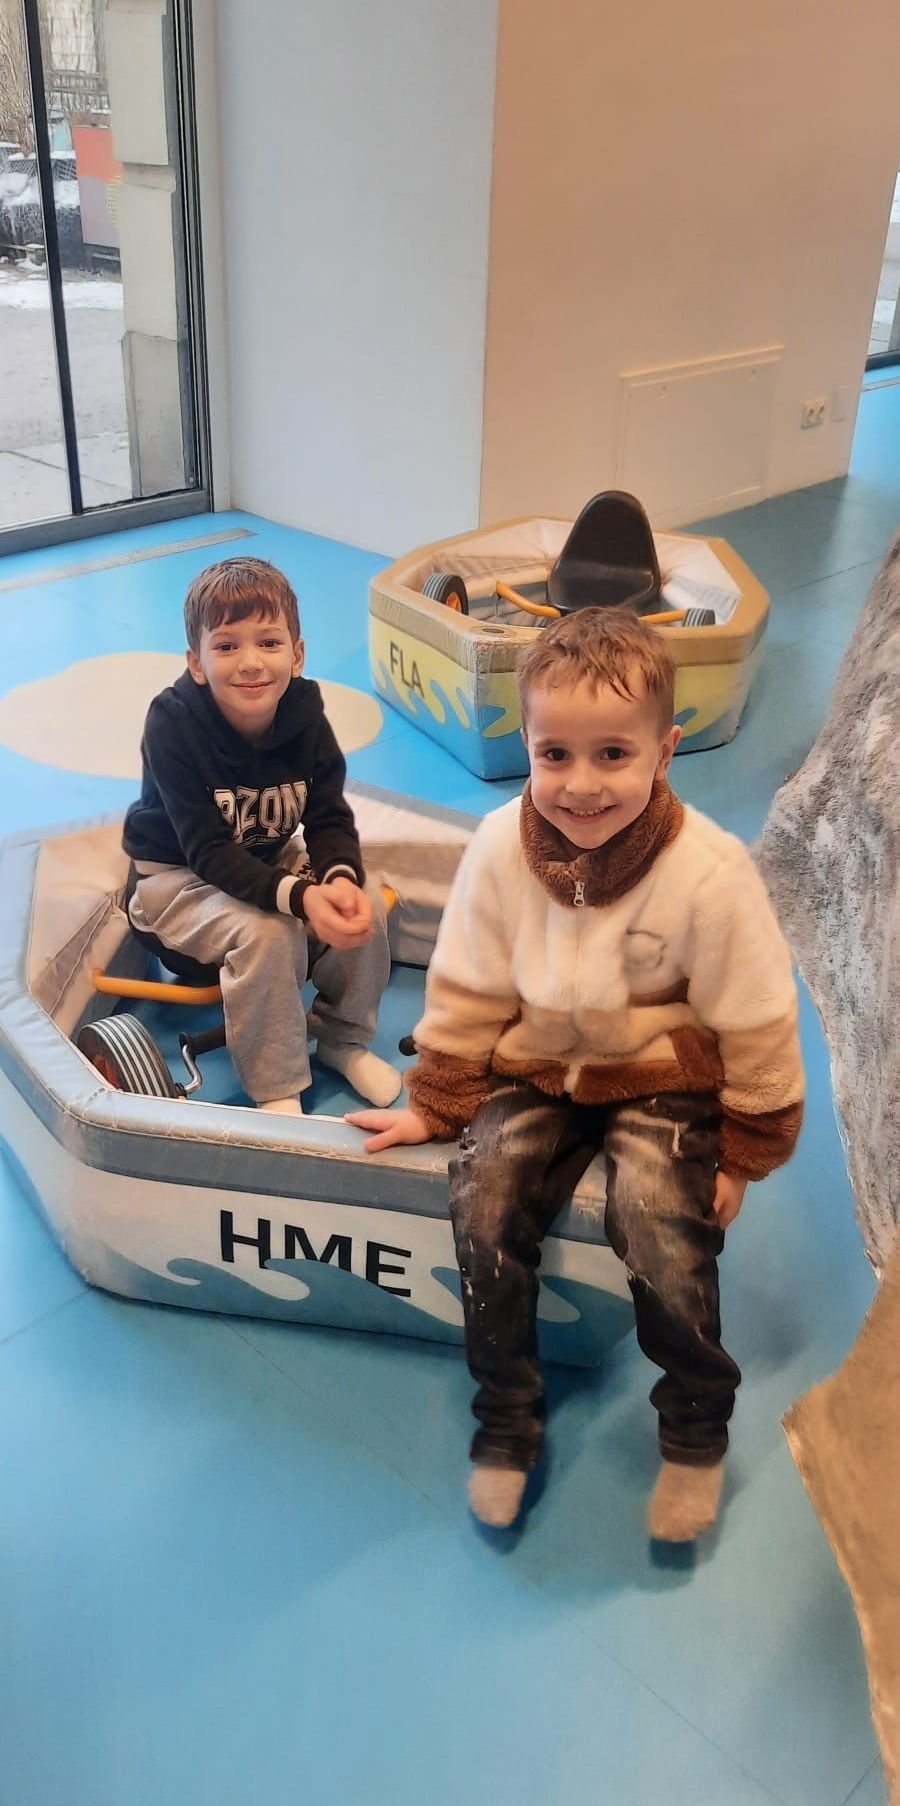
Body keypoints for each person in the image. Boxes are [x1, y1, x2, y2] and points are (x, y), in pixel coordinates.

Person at [348, 609, 803, 1538]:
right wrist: (438, 1099)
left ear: (665, 752)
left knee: (657, 1222)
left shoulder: (710, 872)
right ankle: (507, 1422)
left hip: (658, 1074)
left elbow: (756, 1016)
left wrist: (744, 1154)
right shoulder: (496, 850)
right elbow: (468, 982)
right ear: (527, 743)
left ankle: (693, 1431)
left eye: (612, 755)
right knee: (481, 1202)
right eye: (555, 754)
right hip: (537, 1063)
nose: (581, 784)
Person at [123, 555, 401, 1117]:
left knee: (363, 901)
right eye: (226, 646)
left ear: (297, 655)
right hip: (178, 882)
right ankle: (276, 1085)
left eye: (269, 643)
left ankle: (343, 1041)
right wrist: (300, 898)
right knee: (268, 934)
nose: (250, 663)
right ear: (196, 663)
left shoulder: (305, 717)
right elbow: (206, 850)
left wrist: (337, 879)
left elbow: (327, 816)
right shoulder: (172, 724)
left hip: (267, 858)